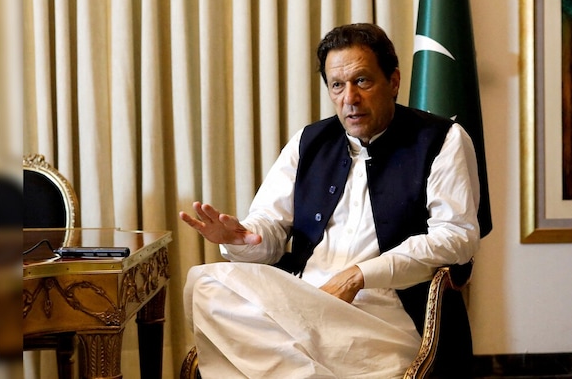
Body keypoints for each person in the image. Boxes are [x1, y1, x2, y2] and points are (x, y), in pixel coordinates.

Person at [181, 23, 480, 378]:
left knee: (244, 353)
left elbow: (457, 237)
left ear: (394, 81)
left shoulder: (442, 139)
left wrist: (359, 275)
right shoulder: (309, 142)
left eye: (362, 81)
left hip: (382, 319)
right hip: (304, 305)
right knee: (205, 283)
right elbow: (268, 230)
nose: (349, 98)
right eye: (337, 85)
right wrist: (241, 239)